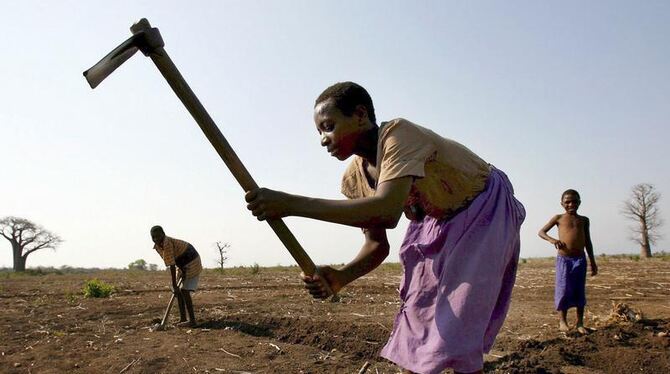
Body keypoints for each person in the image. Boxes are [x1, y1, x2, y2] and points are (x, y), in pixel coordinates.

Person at [245, 81, 526, 374]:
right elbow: (377, 243)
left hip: (482, 208)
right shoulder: (353, 179)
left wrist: (290, 205)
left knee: (457, 323)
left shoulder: (398, 135)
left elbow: (387, 211)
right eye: (319, 132)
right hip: (434, 220)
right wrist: (342, 276)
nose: (323, 140)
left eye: (328, 126)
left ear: (360, 115)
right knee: (416, 319)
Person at [539, 189, 597, 334]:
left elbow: (588, 242)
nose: (571, 204)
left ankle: (580, 322)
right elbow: (541, 232)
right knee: (563, 289)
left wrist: (593, 262)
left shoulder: (584, 220)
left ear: (579, 202)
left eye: (575, 201)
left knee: (579, 290)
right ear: (562, 203)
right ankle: (562, 321)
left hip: (580, 259)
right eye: (567, 202)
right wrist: (553, 240)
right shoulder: (558, 218)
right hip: (564, 260)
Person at [150, 225, 202, 327]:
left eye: (158, 236)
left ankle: (192, 321)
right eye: (153, 237)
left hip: (192, 261)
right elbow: (171, 261)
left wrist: (174, 284)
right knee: (178, 292)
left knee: (184, 291)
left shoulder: (167, 243)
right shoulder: (158, 246)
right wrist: (180, 274)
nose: (156, 239)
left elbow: (172, 265)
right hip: (182, 264)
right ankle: (183, 318)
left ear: (163, 235)